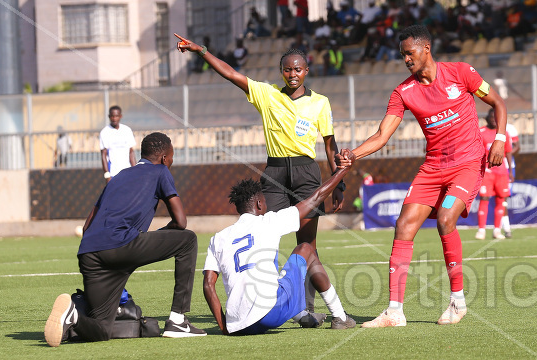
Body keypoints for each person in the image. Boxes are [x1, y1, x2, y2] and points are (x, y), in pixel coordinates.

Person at [336, 25, 507, 327]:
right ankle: (394, 312)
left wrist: (499, 139)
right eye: (402, 55)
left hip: (468, 162)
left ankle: (458, 303)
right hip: (432, 167)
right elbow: (381, 135)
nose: (405, 59)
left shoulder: (461, 72)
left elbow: (498, 103)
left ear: (426, 48)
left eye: (409, 53)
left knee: (445, 219)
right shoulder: (403, 92)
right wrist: (353, 154)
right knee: (403, 225)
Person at [176, 36, 346, 317]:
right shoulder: (267, 95)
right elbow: (231, 74)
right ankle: (262, 299)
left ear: (307, 70)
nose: (293, 74)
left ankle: (305, 308)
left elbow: (330, 144)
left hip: (307, 173)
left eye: (298, 69)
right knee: (263, 235)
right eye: (288, 69)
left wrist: (339, 183)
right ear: (282, 71)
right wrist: (202, 51)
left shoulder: (320, 103)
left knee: (306, 245)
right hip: (275, 173)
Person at [44, 132, 206, 347]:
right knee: (187, 240)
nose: (172, 162)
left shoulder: (118, 176)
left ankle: (73, 316)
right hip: (121, 245)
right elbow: (181, 222)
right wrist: (160, 234)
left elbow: (87, 226)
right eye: (172, 158)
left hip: (89, 254)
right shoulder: (160, 171)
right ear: (165, 158)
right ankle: (178, 320)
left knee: (101, 329)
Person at [203, 166, 357, 335]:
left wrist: (224, 327)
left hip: (238, 324)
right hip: (271, 313)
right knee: (305, 248)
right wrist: (342, 172)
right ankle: (340, 317)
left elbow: (208, 285)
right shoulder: (269, 221)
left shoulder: (218, 238)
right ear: (259, 203)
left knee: (271, 271)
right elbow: (316, 198)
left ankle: (301, 315)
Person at [475, 109, 513, 240]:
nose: (493, 120)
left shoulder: (504, 134)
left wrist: (511, 171)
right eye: (491, 117)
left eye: (495, 118)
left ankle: (497, 230)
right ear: (487, 118)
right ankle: (481, 230)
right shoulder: (480, 132)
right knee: (484, 198)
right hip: (487, 172)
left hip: (502, 172)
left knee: (501, 200)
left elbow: (508, 152)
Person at [100, 105, 136, 182]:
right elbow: (103, 154)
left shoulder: (127, 130)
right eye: (112, 116)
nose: (114, 118)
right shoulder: (105, 132)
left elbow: (131, 152)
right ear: (109, 116)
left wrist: (135, 170)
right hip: (113, 173)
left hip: (128, 172)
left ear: (120, 116)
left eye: (116, 116)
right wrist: (107, 175)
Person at [501, 120, 520, 238]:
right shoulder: (485, 129)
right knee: (486, 198)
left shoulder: (510, 128)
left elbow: (517, 146)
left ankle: (506, 228)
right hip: (491, 167)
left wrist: (505, 153)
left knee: (503, 197)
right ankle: (485, 230)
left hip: (507, 167)